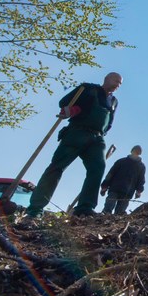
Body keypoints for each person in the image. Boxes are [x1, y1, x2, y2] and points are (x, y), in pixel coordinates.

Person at [24, 72, 122, 219]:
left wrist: (103, 132)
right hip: (77, 133)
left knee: (97, 169)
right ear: (106, 78)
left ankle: (85, 208)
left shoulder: (114, 101)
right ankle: (35, 209)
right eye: (116, 80)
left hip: (97, 139)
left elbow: (110, 123)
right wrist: (71, 110)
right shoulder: (87, 89)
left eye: (120, 83)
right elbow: (65, 102)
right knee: (56, 167)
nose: (117, 85)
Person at [100, 145, 146, 215]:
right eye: (135, 150)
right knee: (107, 209)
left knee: (119, 213)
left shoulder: (141, 167)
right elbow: (110, 174)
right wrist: (104, 186)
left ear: (140, 153)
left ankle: (114, 224)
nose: (136, 152)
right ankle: (102, 221)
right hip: (114, 189)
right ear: (131, 151)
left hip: (127, 193)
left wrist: (139, 191)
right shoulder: (121, 162)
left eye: (138, 151)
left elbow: (141, 180)